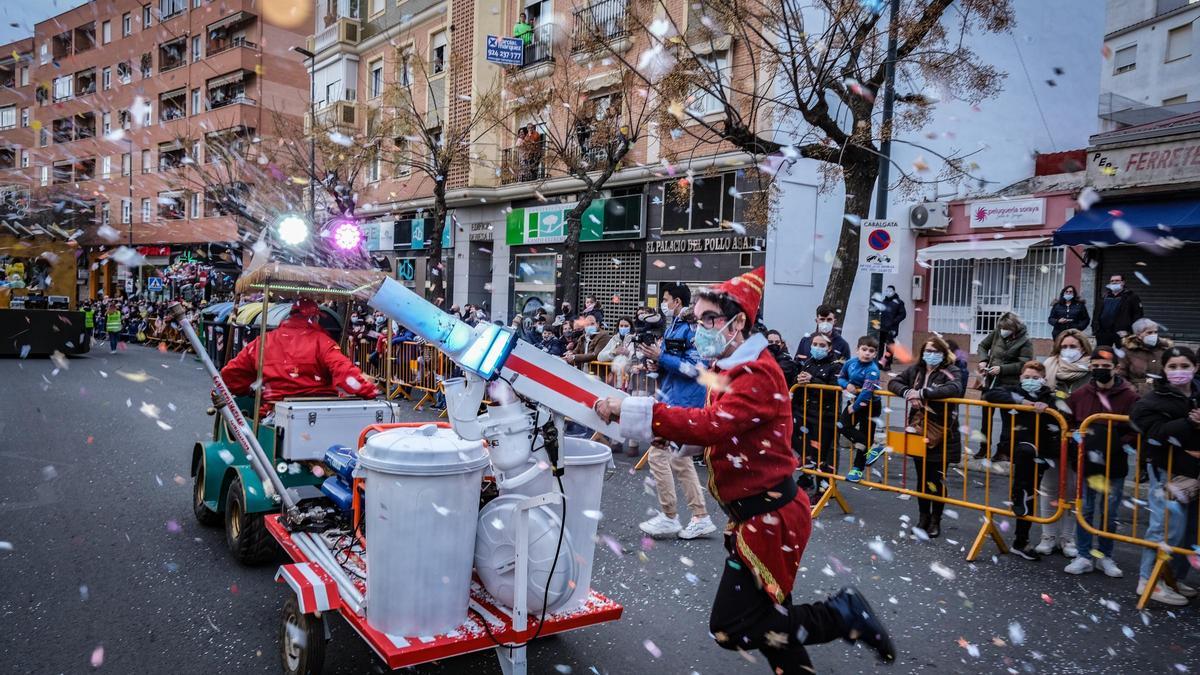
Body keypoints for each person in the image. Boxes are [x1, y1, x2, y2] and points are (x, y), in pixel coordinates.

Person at [593, 267, 895, 673]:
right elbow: (718, 425)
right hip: (759, 516)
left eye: (708, 319)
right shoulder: (730, 367)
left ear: (737, 323)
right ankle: (837, 623)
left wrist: (635, 411)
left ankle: (843, 615)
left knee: (731, 627)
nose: (700, 327)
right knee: (774, 626)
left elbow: (714, 424)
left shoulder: (755, 372)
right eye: (697, 318)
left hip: (770, 518)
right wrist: (676, 436)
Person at [636, 282, 716, 540]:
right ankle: (700, 516)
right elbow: (674, 364)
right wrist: (654, 362)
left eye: (666, 299)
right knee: (679, 460)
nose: (663, 304)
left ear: (678, 302)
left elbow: (695, 369)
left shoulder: (693, 329)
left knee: (659, 455)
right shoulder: (675, 326)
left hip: (685, 401)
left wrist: (661, 358)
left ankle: (670, 516)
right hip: (673, 396)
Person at [221, 298, 379, 417]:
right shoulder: (322, 342)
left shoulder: (263, 342)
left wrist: (250, 389)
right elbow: (344, 372)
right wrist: (368, 390)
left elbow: (231, 374)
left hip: (274, 412)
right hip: (319, 412)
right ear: (314, 318)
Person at [1130, 347, 1200, 606]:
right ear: (1164, 369)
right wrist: (1189, 423)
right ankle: (1149, 580)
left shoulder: (1198, 394)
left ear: (1195, 367)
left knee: (1189, 530)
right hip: (1166, 470)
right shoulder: (1153, 399)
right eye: (1173, 366)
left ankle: (1172, 576)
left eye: (1185, 366)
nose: (1179, 372)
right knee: (1166, 527)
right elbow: (1152, 432)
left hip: (1193, 473)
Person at [1063, 346, 1139, 579]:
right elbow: (1068, 423)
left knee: (1109, 512)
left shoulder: (1130, 396)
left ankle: (1105, 555)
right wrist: (1079, 440)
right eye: (1095, 367)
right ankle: (1084, 556)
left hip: (1114, 465)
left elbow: (1136, 430)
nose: (1100, 371)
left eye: (1105, 367)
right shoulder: (1079, 394)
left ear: (1115, 368)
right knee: (1085, 510)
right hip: (1086, 463)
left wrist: (1115, 443)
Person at [982, 361, 1061, 560]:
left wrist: (1045, 407)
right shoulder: (1012, 390)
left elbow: (1060, 415)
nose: (1031, 381)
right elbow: (990, 394)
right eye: (1027, 377)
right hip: (1019, 446)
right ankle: (1018, 495)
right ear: (1020, 378)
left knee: (1031, 493)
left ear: (1043, 379)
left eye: (1035, 378)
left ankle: (1021, 540)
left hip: (1042, 450)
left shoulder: (1049, 397)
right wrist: (1023, 403)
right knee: (1024, 466)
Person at [887, 336, 965, 537]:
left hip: (942, 432)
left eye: (935, 351)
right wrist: (907, 393)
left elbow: (955, 388)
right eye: (927, 351)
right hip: (918, 430)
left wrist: (923, 393)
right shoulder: (916, 370)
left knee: (936, 478)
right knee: (922, 478)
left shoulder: (952, 369)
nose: (931, 355)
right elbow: (894, 382)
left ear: (943, 352)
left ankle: (936, 521)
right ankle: (923, 517)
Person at [1035, 329, 1092, 556]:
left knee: (1072, 489)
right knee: (1049, 487)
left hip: (1079, 437)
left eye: (1073, 346)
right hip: (1052, 435)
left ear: (1083, 348)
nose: (1068, 351)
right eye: (1064, 346)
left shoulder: (1091, 372)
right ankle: (1047, 536)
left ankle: (1068, 539)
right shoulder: (1048, 367)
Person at [974, 312, 1034, 468]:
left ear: (1015, 327)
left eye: (1007, 328)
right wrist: (983, 361)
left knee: (1007, 420)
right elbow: (982, 346)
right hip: (990, 382)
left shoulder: (1025, 341)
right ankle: (983, 448)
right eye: (1002, 327)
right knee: (985, 418)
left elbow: (1024, 364)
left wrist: (1002, 369)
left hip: (1009, 384)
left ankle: (1003, 451)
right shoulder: (997, 333)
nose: (1003, 331)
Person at [792, 332, 843, 496]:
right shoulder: (808, 362)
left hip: (825, 415)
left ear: (829, 348)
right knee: (806, 450)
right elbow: (797, 386)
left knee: (822, 454)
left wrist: (813, 380)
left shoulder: (836, 366)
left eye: (822, 345)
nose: (817, 348)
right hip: (806, 413)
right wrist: (798, 381)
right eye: (815, 344)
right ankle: (806, 479)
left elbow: (834, 390)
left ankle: (823, 490)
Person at [838, 336, 883, 483]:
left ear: (875, 354)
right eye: (864, 349)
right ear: (857, 350)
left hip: (869, 405)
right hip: (853, 400)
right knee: (842, 426)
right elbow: (841, 377)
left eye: (871, 351)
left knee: (866, 433)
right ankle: (874, 447)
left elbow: (867, 392)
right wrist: (846, 385)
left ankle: (857, 469)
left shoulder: (873, 370)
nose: (867, 353)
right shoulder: (850, 363)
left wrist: (854, 407)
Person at [1117, 317, 1173, 396]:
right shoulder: (1127, 352)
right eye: (1149, 333)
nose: (1154, 335)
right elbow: (1120, 375)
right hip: (1137, 395)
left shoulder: (1164, 350)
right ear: (1138, 335)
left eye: (1155, 332)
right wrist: (1132, 390)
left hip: (1161, 394)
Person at [1092, 273, 1143, 349]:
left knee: (1123, 355)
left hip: (1122, 333)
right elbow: (1096, 313)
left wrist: (1130, 331)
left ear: (1123, 282)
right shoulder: (1104, 296)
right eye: (1112, 281)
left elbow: (1138, 315)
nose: (1114, 282)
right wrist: (1095, 328)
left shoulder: (1131, 297)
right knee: (1103, 353)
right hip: (1103, 332)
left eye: (1117, 280)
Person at [598, 317, 636, 390]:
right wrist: (613, 352)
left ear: (631, 327)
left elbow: (639, 357)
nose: (623, 328)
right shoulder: (614, 339)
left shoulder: (635, 339)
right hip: (614, 381)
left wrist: (628, 353)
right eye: (621, 326)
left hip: (631, 381)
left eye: (626, 326)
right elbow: (600, 357)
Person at [877, 284, 907, 356]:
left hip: (891, 328)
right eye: (887, 291)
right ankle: (879, 362)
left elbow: (903, 314)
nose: (888, 292)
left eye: (890, 291)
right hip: (882, 328)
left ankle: (887, 363)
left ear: (894, 292)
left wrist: (894, 321)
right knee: (880, 345)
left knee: (890, 346)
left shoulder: (899, 302)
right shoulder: (884, 301)